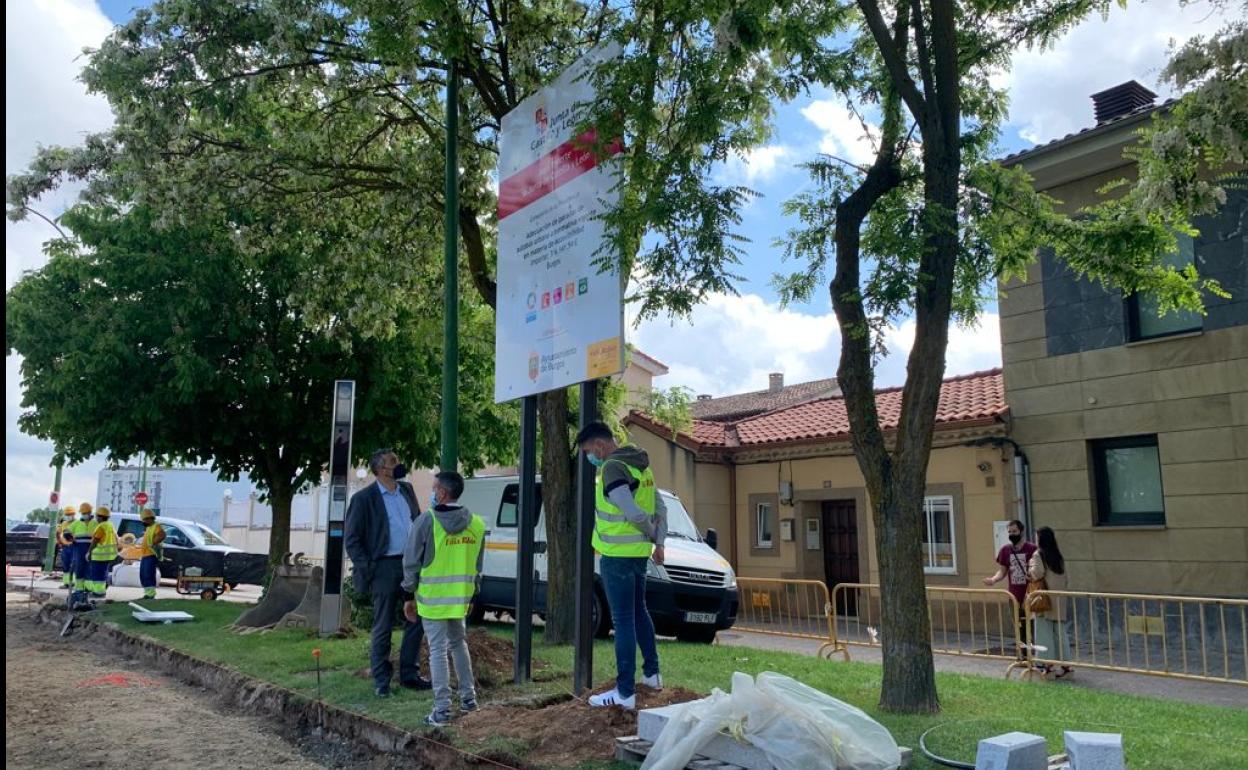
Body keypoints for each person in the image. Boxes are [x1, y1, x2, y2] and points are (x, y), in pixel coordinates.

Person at [576, 421, 668, 710]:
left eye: (589, 451)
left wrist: (653, 534)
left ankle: (625, 692)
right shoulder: (641, 464)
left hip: (617, 556)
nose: (590, 457)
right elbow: (660, 508)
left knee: (623, 620)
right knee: (639, 612)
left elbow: (631, 512)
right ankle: (652, 675)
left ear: (600, 446)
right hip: (638, 554)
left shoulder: (613, 468)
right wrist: (659, 542)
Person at [401, 471, 486, 727]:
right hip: (460, 599)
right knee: (459, 645)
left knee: (437, 651)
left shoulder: (427, 521)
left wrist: (408, 594)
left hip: (433, 599)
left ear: (441, 493)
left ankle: (442, 710)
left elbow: (411, 561)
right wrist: (473, 595)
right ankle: (469, 700)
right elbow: (477, 566)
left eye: (434, 487)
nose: (432, 492)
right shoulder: (477, 524)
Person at [344, 448, 429, 697]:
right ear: (381, 469)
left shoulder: (407, 490)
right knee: (383, 625)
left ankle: (409, 675)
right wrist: (370, 568)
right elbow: (352, 540)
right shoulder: (363, 499)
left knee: (417, 617)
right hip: (383, 567)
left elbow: (417, 522)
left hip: (411, 564)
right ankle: (381, 680)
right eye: (394, 462)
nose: (399, 465)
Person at [983, 519, 1037, 658]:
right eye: (1010, 532)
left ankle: (1032, 655)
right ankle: (1022, 655)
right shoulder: (1005, 550)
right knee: (1018, 626)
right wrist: (993, 580)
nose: (1012, 534)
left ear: (1021, 531)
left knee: (1030, 626)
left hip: (1030, 595)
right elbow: (1002, 571)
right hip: (1014, 596)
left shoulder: (1032, 549)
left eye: (1015, 531)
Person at [1028, 526, 1072, 678]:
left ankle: (1048, 667)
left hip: (1044, 600)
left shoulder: (1038, 554)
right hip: (1059, 599)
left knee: (1044, 634)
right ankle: (1066, 667)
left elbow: (1036, 573)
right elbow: (1065, 578)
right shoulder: (1058, 555)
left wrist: (1030, 567)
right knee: (1060, 634)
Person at [87, 506, 118, 598]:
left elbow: (95, 541)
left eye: (97, 516)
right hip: (109, 555)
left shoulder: (101, 527)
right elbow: (116, 538)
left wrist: (89, 552)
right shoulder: (110, 525)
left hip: (99, 555)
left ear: (100, 516)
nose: (96, 518)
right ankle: (103, 587)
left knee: (97, 574)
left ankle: (99, 592)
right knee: (104, 572)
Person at [138, 508, 166, 600]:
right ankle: (147, 593)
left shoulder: (156, 526)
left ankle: (150, 594)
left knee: (148, 574)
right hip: (145, 554)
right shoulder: (149, 527)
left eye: (144, 520)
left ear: (150, 518)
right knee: (143, 574)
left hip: (151, 554)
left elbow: (162, 535)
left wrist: (153, 543)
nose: (143, 522)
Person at [70, 503, 95, 598]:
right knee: (79, 568)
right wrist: (69, 537)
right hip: (79, 548)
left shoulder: (95, 523)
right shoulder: (76, 523)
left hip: (92, 548)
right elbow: (67, 531)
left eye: (86, 513)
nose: (85, 515)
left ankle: (89, 588)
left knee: (90, 568)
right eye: (83, 513)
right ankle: (79, 589)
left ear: (90, 512)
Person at [57, 507, 76, 588]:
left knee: (74, 565)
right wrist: (59, 542)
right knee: (65, 565)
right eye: (67, 515)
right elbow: (58, 532)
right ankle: (66, 583)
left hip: (74, 546)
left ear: (74, 514)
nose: (68, 516)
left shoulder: (77, 523)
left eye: (70, 514)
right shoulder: (64, 524)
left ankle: (73, 583)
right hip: (65, 547)